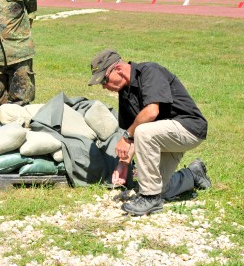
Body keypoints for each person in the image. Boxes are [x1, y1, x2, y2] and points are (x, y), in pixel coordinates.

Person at [88, 49, 211, 216]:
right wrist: (124, 163)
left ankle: (150, 198)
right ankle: (193, 174)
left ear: (118, 69)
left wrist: (126, 137)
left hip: (189, 129)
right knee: (163, 189)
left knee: (143, 132)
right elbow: (132, 135)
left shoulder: (150, 72)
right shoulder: (124, 92)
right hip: (164, 136)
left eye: (104, 79)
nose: (103, 86)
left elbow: (151, 112)